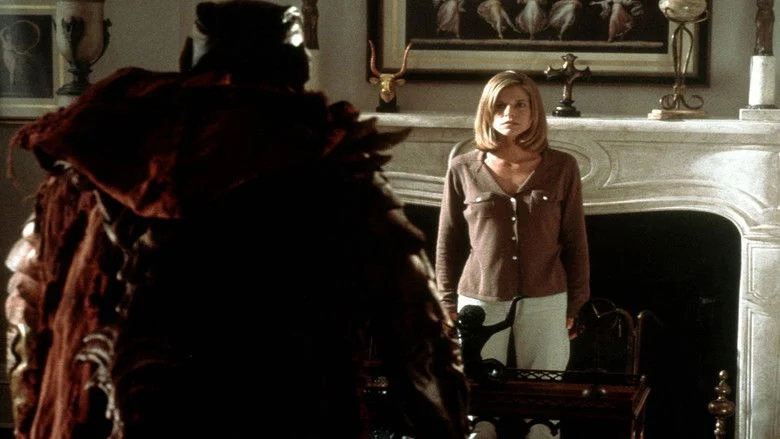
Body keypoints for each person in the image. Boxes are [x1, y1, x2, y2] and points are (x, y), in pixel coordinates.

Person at [3, 1, 470, 438]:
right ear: (296, 67)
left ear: (188, 58)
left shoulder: (93, 155)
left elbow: (25, 319)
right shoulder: (335, 169)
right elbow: (420, 348)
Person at [435, 70, 590, 439]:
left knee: (544, 409)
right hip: (479, 301)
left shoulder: (562, 167)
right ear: (487, 111)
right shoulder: (462, 168)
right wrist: (446, 301)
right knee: (478, 409)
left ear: (534, 111)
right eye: (500, 105)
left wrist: (575, 303)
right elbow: (448, 240)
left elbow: (575, 239)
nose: (510, 113)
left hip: (547, 299)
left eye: (520, 104)